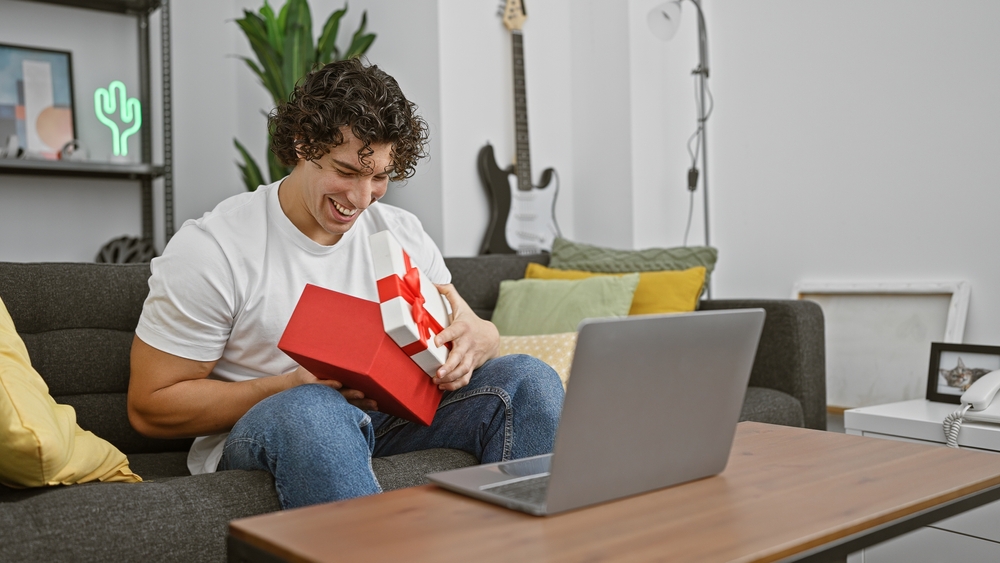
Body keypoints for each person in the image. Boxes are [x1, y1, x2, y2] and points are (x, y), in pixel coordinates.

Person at [127, 58, 564, 509]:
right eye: (347, 171)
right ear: (302, 144)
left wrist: (482, 337)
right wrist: (290, 385)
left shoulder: (400, 229)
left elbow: (465, 321)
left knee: (530, 378)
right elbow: (150, 407)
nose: (360, 199)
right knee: (315, 409)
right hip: (278, 426)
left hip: (391, 418)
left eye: (379, 177)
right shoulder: (214, 248)